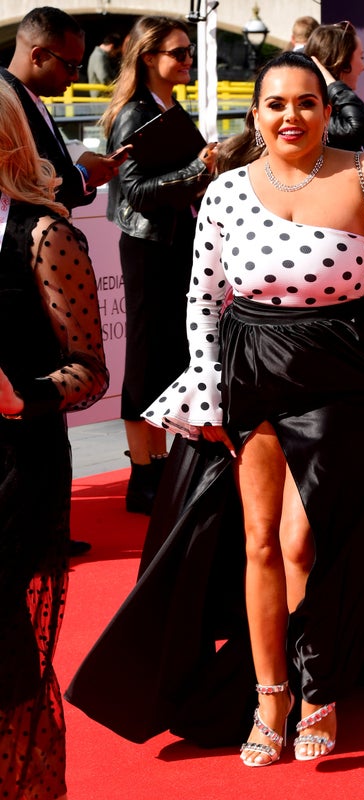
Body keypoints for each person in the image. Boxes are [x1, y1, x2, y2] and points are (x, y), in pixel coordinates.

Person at [66, 52, 364, 767]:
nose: (290, 116)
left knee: (301, 542)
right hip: (251, 366)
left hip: (339, 372)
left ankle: (317, 686)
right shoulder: (226, 190)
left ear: (326, 110)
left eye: (306, 103)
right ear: (254, 115)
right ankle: (271, 697)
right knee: (257, 542)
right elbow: (201, 297)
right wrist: (206, 380)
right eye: (274, 104)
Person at [0, 80, 108, 800]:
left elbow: (91, 371)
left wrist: (24, 395)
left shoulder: (43, 233)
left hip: (12, 474)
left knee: (5, 667)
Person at [101, 15, 217, 514]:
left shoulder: (167, 106)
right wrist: (199, 167)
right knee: (147, 355)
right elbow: (136, 193)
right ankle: (142, 473)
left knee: (172, 353)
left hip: (174, 243)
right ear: (149, 57)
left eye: (189, 51)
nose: (187, 59)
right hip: (149, 246)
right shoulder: (135, 114)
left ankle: (161, 465)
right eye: (179, 53)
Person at [0, 7, 127, 212]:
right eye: (70, 66)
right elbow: (20, 197)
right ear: (39, 56)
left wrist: (87, 176)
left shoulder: (31, 98)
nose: (75, 77)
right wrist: (83, 175)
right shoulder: (5, 104)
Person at [304, 20, 364, 151]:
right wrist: (334, 85)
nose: (363, 67)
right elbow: (363, 128)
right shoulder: (313, 108)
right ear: (342, 62)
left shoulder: (334, 105)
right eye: (361, 57)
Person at [87, 31, 123, 96]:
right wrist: (118, 90)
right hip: (101, 99)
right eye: (117, 53)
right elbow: (104, 78)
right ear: (112, 46)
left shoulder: (101, 56)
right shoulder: (98, 56)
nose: (115, 55)